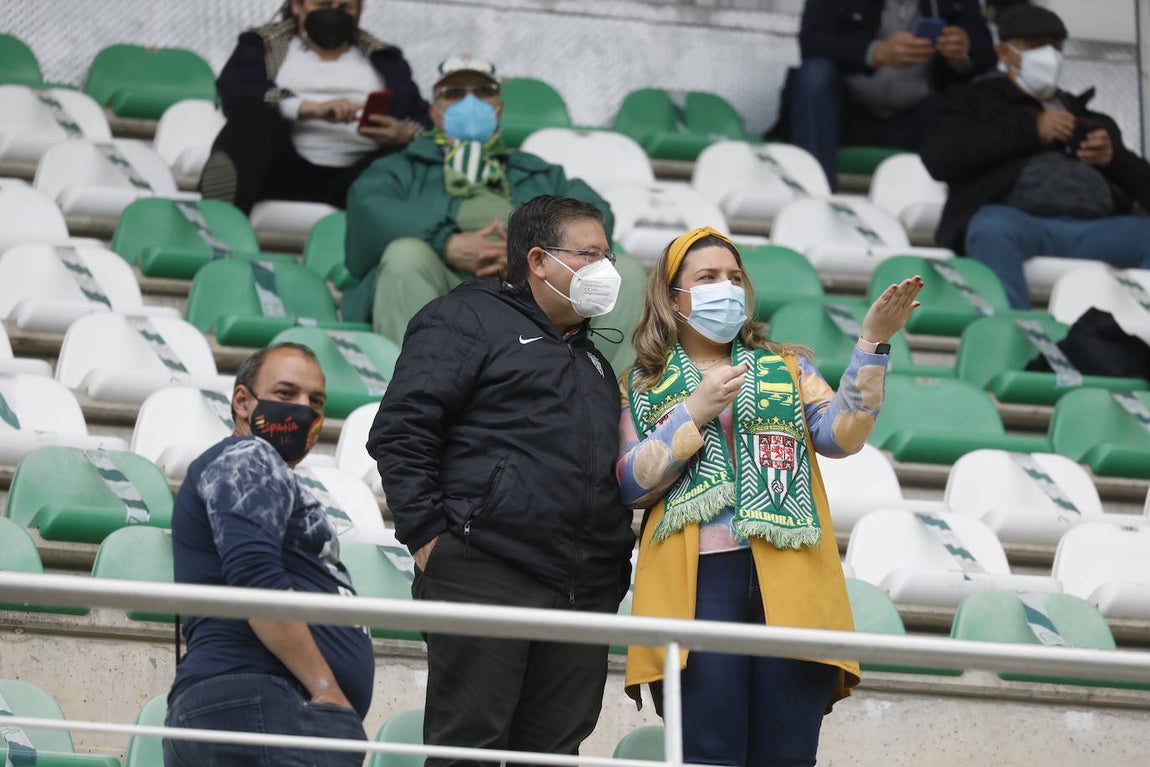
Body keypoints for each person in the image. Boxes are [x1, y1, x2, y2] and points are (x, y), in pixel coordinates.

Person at [617, 227, 923, 767]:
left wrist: (872, 343)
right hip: (696, 585)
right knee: (708, 753)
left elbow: (842, 435)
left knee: (786, 754)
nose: (726, 288)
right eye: (707, 278)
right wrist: (693, 412)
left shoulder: (788, 366)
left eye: (734, 278)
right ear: (671, 297)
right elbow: (630, 484)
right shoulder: (639, 386)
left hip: (792, 579)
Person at [367, 195, 636, 767]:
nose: (604, 270)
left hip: (582, 590)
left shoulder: (594, 361)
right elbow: (401, 430)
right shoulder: (466, 317)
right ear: (539, 260)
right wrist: (431, 544)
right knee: (469, 751)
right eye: (589, 254)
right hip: (485, 571)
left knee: (554, 755)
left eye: (608, 255)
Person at [343, 55, 646, 371]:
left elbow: (597, 214)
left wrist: (528, 252)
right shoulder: (401, 167)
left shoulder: (538, 172)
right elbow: (369, 209)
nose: (470, 101)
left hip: (532, 289)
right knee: (406, 256)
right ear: (434, 111)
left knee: (623, 270)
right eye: (455, 93)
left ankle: (600, 392)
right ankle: (417, 387)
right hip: (441, 282)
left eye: (483, 91)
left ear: (499, 106)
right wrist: (445, 242)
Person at [164, 343, 373, 767]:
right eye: (286, 393)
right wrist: (325, 690)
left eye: (315, 401)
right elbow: (255, 576)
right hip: (267, 704)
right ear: (243, 402)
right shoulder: (250, 456)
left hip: (259, 709)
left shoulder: (255, 467)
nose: (303, 410)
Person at [920, 3, 1150, 309]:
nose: (1050, 56)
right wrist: (1033, 131)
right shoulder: (975, 102)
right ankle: (1011, 335)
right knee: (990, 229)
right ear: (1005, 53)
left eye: (1056, 47)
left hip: (1095, 228)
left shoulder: (1090, 118)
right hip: (1016, 223)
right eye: (1036, 46)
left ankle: (1134, 340)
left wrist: (1114, 158)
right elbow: (942, 158)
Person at [201, 0, 430, 214]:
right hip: (280, 170)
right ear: (297, 6)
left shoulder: (385, 57)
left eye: (345, 6)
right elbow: (236, 89)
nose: (334, 14)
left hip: (361, 178)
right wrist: (308, 108)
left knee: (410, 153)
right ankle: (221, 214)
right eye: (323, 4)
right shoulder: (263, 45)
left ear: (359, 11)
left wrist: (403, 133)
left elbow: (421, 116)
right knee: (252, 116)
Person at [791, 0, 995, 186]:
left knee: (975, 96)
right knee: (814, 74)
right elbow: (812, 41)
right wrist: (874, 53)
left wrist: (962, 54)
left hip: (919, 118)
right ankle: (814, 192)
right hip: (846, 115)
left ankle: (947, 210)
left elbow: (986, 56)